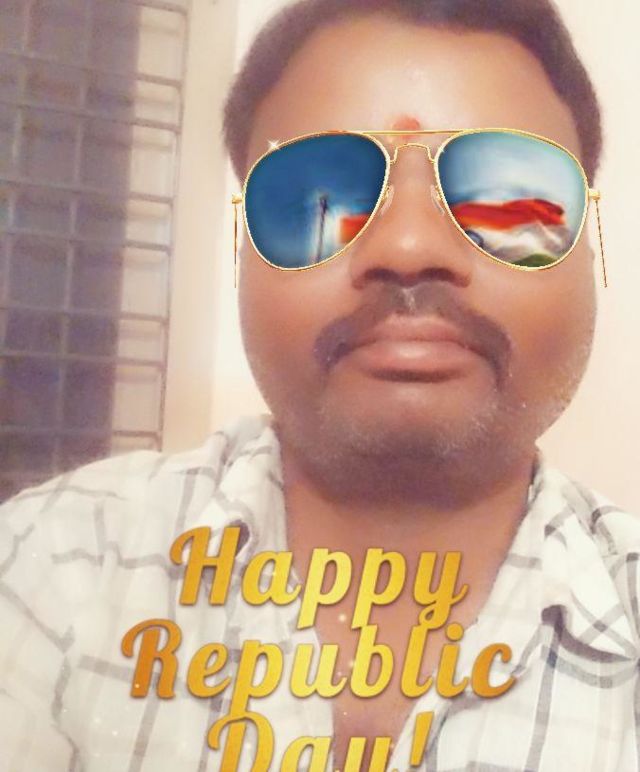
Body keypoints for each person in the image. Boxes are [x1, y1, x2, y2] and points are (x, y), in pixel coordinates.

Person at [1, 0, 637, 770]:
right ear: (242, 255)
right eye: (318, 202)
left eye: (510, 203)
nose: (409, 246)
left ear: (592, 252)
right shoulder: (51, 568)